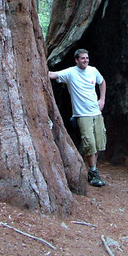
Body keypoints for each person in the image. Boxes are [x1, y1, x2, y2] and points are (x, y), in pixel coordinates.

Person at [48, 49, 107, 187]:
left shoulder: (93, 70)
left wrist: (102, 99)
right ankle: (93, 172)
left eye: (87, 58)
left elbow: (102, 81)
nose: (85, 60)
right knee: (90, 144)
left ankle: (93, 170)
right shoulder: (70, 72)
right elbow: (52, 75)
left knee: (98, 143)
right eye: (82, 58)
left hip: (96, 113)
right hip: (82, 115)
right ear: (76, 60)